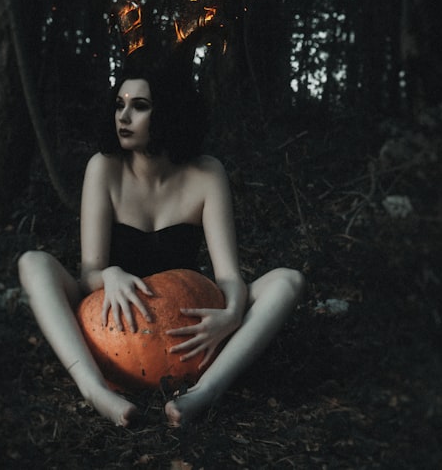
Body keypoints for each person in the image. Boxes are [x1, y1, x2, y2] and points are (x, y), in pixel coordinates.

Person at [18, 50, 305, 427]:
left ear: (168, 113)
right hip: (111, 326)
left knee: (288, 280)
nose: (123, 116)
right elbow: (89, 272)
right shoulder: (104, 168)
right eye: (119, 104)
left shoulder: (206, 173)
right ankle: (94, 388)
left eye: (139, 106)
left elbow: (228, 277)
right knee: (32, 263)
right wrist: (110, 274)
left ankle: (206, 391)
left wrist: (232, 314)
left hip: (183, 329)